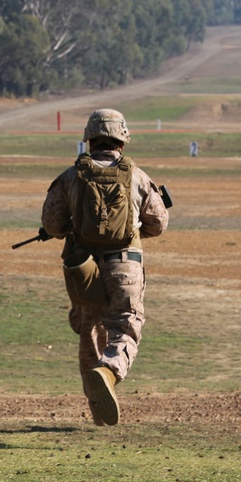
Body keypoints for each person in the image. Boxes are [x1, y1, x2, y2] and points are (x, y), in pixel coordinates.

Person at [41, 109, 169, 426]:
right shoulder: (137, 176)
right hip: (125, 264)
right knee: (127, 323)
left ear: (89, 140)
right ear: (121, 142)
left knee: (90, 329)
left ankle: (97, 402)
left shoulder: (71, 176)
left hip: (83, 269)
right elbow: (158, 224)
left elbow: (52, 224)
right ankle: (110, 370)